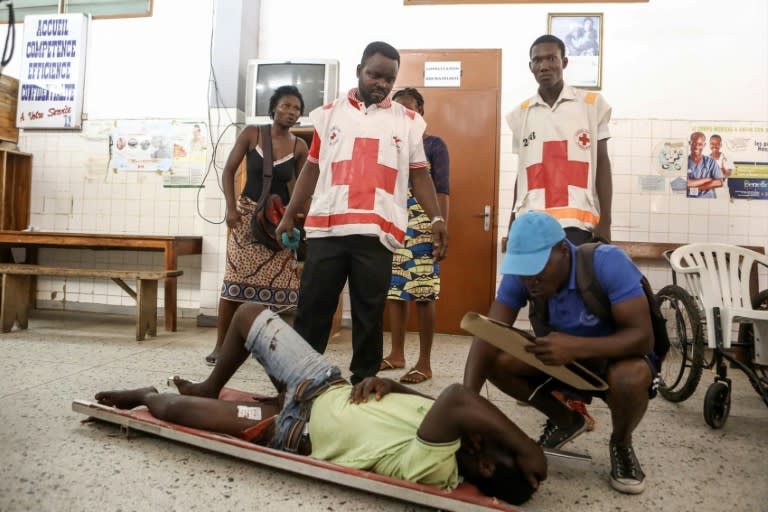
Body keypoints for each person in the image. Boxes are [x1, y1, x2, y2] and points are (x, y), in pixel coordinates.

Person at [95, 302, 546, 506]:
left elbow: (457, 398)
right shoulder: (458, 432)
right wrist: (389, 387)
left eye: (497, 444)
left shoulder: (437, 468)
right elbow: (430, 402)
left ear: (484, 467)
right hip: (319, 383)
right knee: (250, 314)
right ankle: (213, 384)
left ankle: (147, 396)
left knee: (173, 411)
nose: (487, 432)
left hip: (289, 426)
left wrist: (527, 445)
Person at [276, 42, 448, 385]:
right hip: (328, 229)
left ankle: (364, 385)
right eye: (374, 74)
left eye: (389, 78)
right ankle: (298, 383)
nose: (381, 83)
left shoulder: (409, 122)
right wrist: (289, 213)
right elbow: (311, 169)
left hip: (376, 232)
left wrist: (437, 218)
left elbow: (419, 174)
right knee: (313, 313)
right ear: (359, 71)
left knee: (369, 316)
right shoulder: (328, 115)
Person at [463, 211, 659, 495]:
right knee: (495, 360)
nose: (531, 280)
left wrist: (576, 346)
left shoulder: (607, 263)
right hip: (562, 363)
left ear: (564, 251)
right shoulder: (523, 277)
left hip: (614, 361)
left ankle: (621, 442)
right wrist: (468, 404)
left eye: (538, 268)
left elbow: (643, 338)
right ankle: (567, 420)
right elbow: (487, 335)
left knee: (630, 378)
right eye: (524, 270)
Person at [205, 85, 309, 365]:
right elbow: (228, 171)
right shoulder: (252, 133)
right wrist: (230, 207)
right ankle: (221, 347)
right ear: (274, 107)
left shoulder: (300, 146)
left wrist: (300, 222)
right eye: (286, 105)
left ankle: (261, 347)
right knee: (233, 286)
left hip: (278, 224)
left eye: (297, 108)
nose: (291, 112)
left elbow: (302, 187)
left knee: (272, 292)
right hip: (245, 218)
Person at [506, 34, 613, 246]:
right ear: (531, 67)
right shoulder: (521, 113)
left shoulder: (591, 105)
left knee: (575, 280)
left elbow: (602, 162)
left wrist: (606, 222)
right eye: (537, 60)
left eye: (551, 58)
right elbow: (523, 174)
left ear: (564, 62)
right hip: (531, 223)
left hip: (577, 225)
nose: (544, 66)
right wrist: (511, 223)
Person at [382, 87, 450, 384]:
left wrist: (441, 227)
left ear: (420, 111)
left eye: (409, 109)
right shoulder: (388, 145)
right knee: (395, 291)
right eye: (397, 110)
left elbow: (442, 189)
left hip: (424, 224)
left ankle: (424, 362)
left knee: (423, 292)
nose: (403, 116)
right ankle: (396, 354)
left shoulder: (433, 144)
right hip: (393, 221)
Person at [687, 131, 724, 198]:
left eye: (700, 144)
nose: (696, 147)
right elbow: (685, 183)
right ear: (690, 143)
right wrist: (706, 180)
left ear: (704, 145)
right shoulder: (684, 162)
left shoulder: (710, 162)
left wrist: (696, 188)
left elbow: (719, 182)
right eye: (694, 143)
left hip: (709, 199)